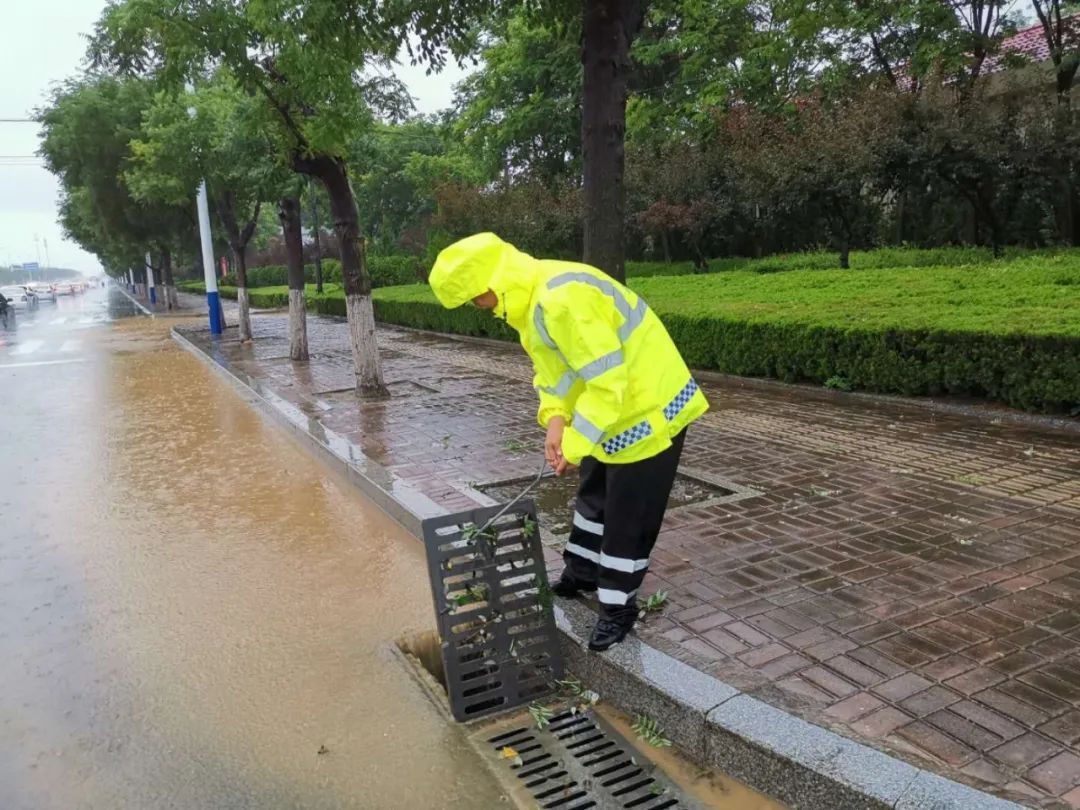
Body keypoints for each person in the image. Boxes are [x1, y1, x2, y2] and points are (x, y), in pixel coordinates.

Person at [428, 233, 708, 651]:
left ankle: (618, 608)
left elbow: (608, 382)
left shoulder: (562, 298)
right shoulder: (527, 307)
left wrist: (576, 445)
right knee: (593, 497)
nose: (477, 308)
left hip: (648, 411)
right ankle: (581, 572)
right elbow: (553, 375)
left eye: (474, 299)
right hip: (608, 415)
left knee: (627, 516)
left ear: (492, 282)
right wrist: (556, 422)